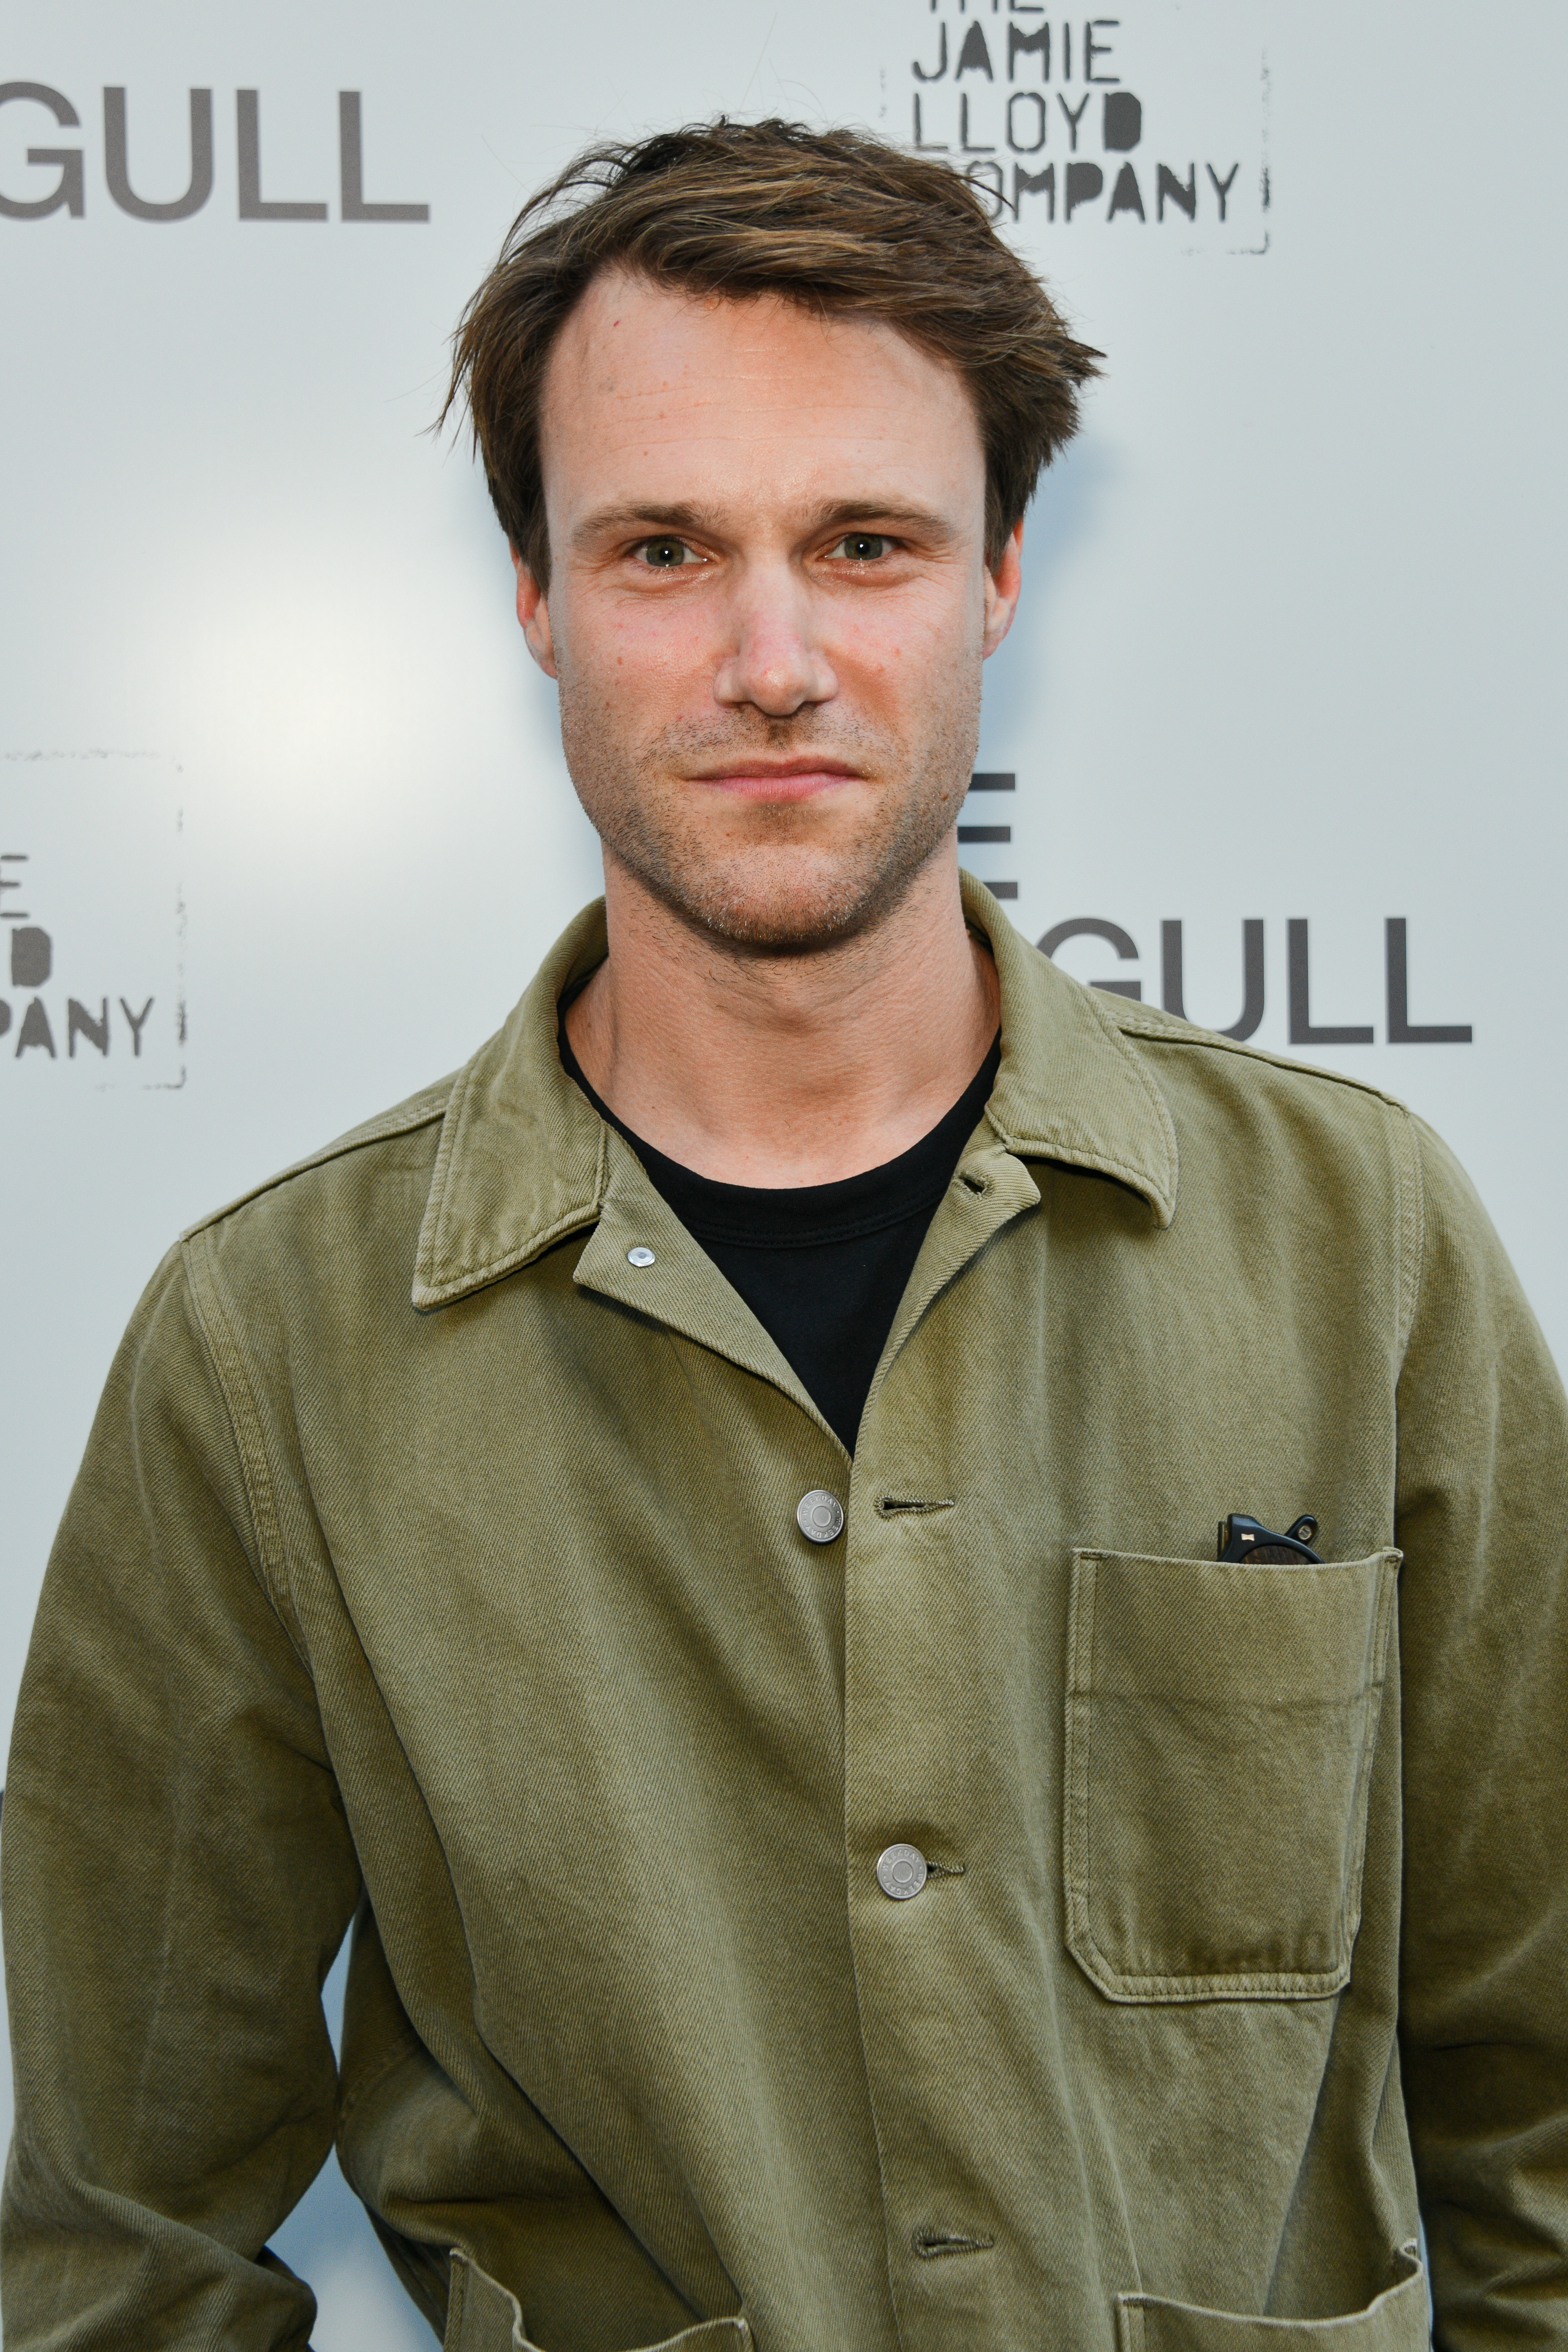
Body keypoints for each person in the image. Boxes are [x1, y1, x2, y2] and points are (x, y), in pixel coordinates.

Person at [3, 115, 1566, 2352]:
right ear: (534, 597)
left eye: (863, 542)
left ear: (1003, 572)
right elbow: (114, 2237)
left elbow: (1547, 2106)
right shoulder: (267, 1349)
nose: (771, 656)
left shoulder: (1363, 1240)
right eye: (660, 548)